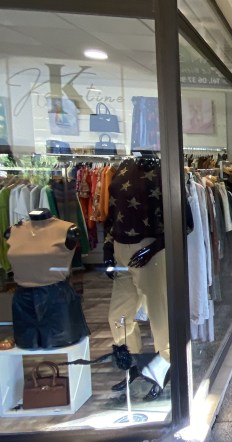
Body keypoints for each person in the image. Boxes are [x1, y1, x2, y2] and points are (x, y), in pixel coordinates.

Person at [103, 154, 171, 367]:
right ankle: (131, 363)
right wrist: (108, 247)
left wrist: (153, 248)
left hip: (150, 250)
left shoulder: (166, 171)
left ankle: (165, 367)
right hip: (120, 249)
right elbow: (113, 214)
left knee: (160, 317)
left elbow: (185, 223)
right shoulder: (122, 167)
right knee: (118, 315)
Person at [6, 208, 89, 350]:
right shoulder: (12, 231)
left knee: (65, 347)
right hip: (23, 299)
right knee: (25, 346)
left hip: (55, 298)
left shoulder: (67, 229)